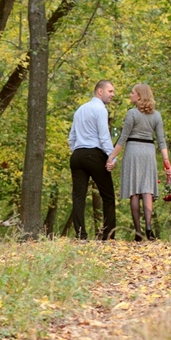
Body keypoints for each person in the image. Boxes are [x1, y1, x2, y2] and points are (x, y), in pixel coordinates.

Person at [105, 83, 171, 241]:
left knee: (134, 192)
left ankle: (138, 232)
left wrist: (111, 156)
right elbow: (161, 141)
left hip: (133, 152)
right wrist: (166, 162)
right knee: (147, 190)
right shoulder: (156, 116)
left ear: (140, 96)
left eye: (132, 93)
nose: (130, 95)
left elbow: (123, 138)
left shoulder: (132, 114)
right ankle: (149, 228)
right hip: (149, 152)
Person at [68, 80, 116, 240]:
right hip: (94, 155)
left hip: (77, 156)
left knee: (78, 196)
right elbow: (104, 137)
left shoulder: (80, 110)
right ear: (100, 91)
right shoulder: (100, 109)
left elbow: (71, 138)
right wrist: (111, 158)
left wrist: (77, 151)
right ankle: (108, 236)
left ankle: (81, 235)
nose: (112, 95)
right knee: (108, 195)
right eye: (110, 91)